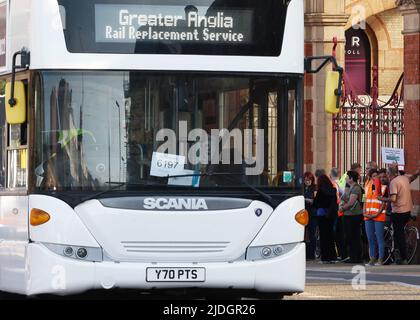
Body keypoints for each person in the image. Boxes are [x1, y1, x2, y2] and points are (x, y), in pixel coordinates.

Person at [385, 166, 420, 264]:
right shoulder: (404, 178)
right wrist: (417, 173)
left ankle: (403, 257)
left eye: (387, 174)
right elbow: (412, 178)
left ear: (389, 174)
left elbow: (393, 199)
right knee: (401, 233)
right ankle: (399, 253)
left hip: (398, 211)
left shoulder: (393, 182)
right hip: (407, 210)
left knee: (398, 235)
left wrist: (382, 199)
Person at [339, 170, 363, 264]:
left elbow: (351, 203)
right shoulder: (350, 187)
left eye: (347, 177)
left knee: (354, 236)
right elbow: (345, 198)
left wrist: (342, 208)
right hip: (348, 215)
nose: (345, 178)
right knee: (349, 236)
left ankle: (356, 257)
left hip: (354, 215)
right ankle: (352, 255)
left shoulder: (356, 188)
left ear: (351, 179)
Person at [363, 169, 387, 266]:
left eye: (377, 176)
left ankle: (380, 259)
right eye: (374, 176)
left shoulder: (384, 187)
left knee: (379, 238)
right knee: (370, 238)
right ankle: (372, 258)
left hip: (378, 216)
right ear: (370, 177)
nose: (376, 178)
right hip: (368, 215)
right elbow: (364, 199)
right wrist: (364, 211)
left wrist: (377, 214)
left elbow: (384, 203)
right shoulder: (367, 185)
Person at [313, 174, 338, 263]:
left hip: (322, 214)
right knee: (330, 236)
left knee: (323, 237)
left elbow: (316, 203)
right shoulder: (333, 190)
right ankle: (333, 256)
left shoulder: (320, 191)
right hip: (331, 215)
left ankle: (325, 257)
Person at [330, 168, 347, 260]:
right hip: (339, 211)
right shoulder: (338, 184)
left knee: (334, 233)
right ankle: (340, 253)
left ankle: (336, 253)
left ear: (330, 175)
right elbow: (343, 195)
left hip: (335, 212)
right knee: (339, 234)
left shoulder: (332, 184)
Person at [304, 172, 317, 260]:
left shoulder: (314, 188)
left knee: (312, 234)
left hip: (312, 214)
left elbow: (313, 201)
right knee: (302, 234)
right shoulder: (302, 188)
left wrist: (304, 199)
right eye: (305, 180)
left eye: (309, 180)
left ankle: (312, 254)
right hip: (304, 213)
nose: (307, 182)